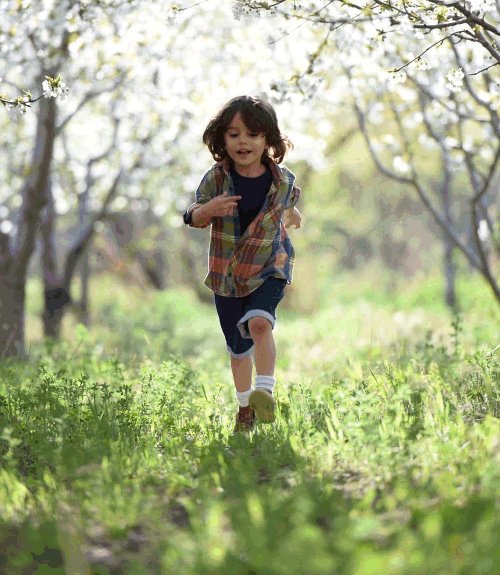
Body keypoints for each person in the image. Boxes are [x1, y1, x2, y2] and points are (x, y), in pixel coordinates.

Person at [183, 95, 302, 432]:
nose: (243, 142)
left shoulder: (283, 180)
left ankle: (265, 392)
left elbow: (289, 201)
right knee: (238, 349)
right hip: (229, 275)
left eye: (252, 134)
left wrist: (292, 215)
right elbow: (193, 213)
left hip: (270, 266)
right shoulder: (216, 180)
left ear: (268, 140)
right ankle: (245, 406)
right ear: (222, 139)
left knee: (260, 325)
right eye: (233, 135)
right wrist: (206, 211)